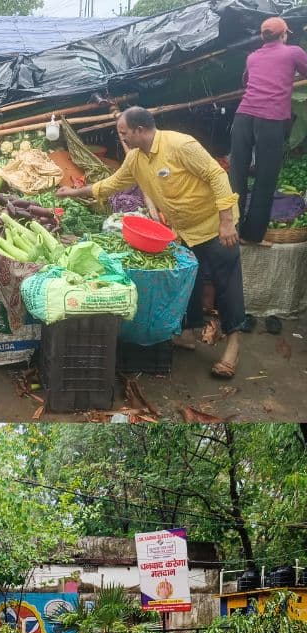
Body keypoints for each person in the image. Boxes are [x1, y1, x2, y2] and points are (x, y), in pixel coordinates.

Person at [56, 107, 243, 379]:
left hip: (214, 226)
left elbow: (217, 176)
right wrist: (73, 191)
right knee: (188, 281)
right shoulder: (135, 159)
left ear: (140, 130)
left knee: (227, 285)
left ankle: (233, 348)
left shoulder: (180, 145)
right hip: (185, 232)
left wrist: (226, 221)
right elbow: (111, 184)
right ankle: (188, 334)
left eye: (123, 133)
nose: (122, 138)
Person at [230, 17, 307, 245]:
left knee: (237, 174)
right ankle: (252, 236)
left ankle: (232, 229)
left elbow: (248, 82)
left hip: (243, 116)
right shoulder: (293, 52)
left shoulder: (252, 57)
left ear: (263, 36)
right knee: (265, 177)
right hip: (270, 119)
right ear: (284, 35)